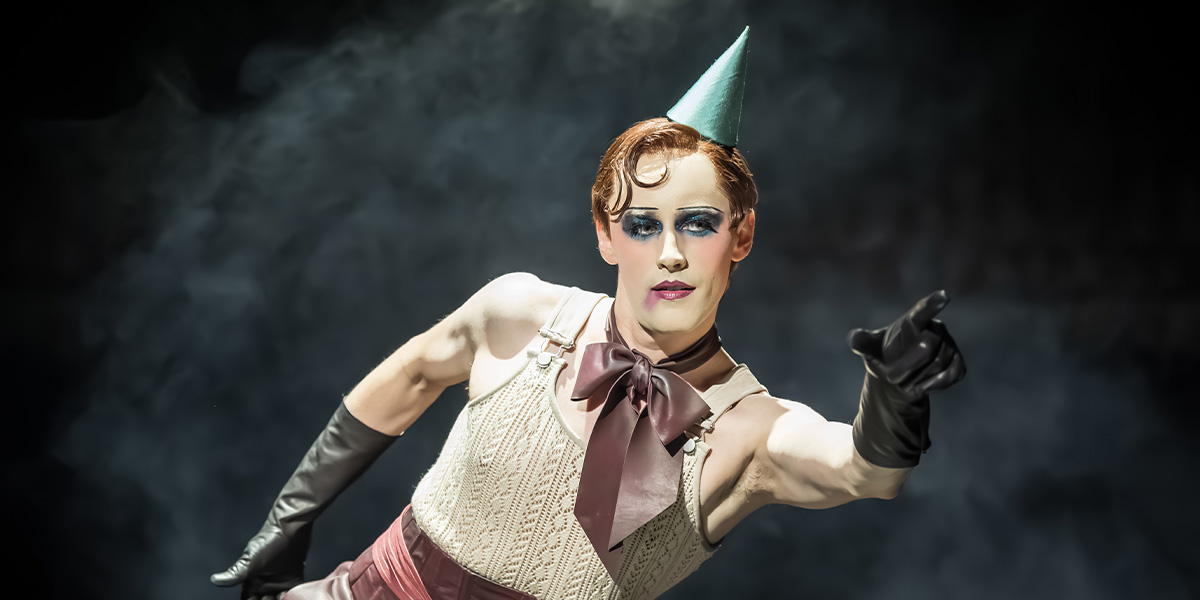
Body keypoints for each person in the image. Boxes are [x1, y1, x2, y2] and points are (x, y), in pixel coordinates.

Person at [211, 28, 965, 600]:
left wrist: (894, 399)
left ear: (741, 234)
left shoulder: (750, 429)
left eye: (698, 223)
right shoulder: (519, 312)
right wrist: (289, 521)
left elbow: (862, 472)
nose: (670, 253)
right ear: (606, 235)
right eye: (643, 225)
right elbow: (410, 377)